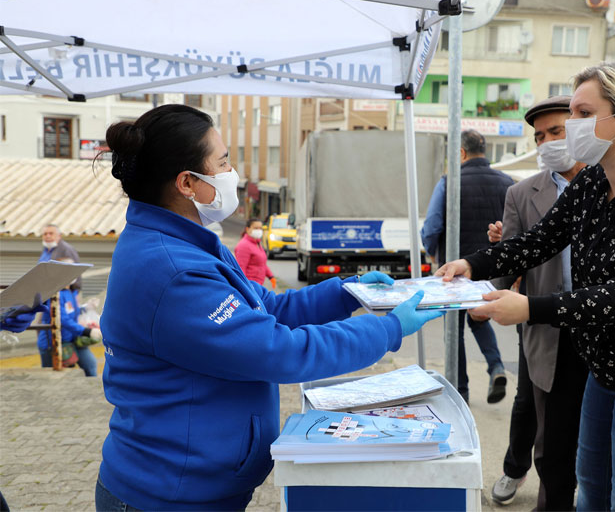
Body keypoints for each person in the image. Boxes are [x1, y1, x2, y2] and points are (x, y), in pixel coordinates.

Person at [94, 104, 443, 511]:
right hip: (166, 494)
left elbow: (264, 307)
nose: (232, 173)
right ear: (187, 182)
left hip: (190, 484)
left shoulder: (188, 243)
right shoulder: (172, 270)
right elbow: (278, 351)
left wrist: (345, 293)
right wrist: (385, 330)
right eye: (222, 162)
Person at [436, 60, 615, 511]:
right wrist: (471, 262)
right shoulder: (594, 182)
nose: (571, 126)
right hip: (605, 368)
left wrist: (530, 309)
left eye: (584, 114)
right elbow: (540, 240)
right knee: (592, 491)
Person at [486, 95, 588, 509]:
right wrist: (498, 259)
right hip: (544, 327)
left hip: (603, 328)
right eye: (540, 136)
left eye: (557, 131)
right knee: (537, 415)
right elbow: (506, 264)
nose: (547, 142)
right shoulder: (522, 193)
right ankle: (518, 469)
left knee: (598, 432)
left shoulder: (612, 183)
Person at [421, 129, 513, 404]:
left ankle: (460, 390)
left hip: (455, 268)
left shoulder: (450, 182)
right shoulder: (507, 183)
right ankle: (496, 366)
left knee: (454, 329)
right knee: (479, 316)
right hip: (491, 267)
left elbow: (433, 225)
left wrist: (432, 252)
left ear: (461, 153)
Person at [38, 258, 101, 377]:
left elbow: (71, 312)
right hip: (53, 344)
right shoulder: (55, 293)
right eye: (68, 269)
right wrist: (87, 331)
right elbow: (62, 319)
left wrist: (86, 307)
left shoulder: (72, 291)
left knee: (91, 364)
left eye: (74, 268)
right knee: (51, 377)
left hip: (72, 340)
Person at [39, 223, 82, 293]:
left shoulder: (66, 249)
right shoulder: (45, 250)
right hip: (46, 292)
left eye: (51, 233)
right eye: (45, 234)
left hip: (64, 293)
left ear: (59, 236)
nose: (48, 236)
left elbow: (74, 274)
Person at [235, 218, 277, 289]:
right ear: (247, 229)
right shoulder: (244, 246)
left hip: (258, 285)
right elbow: (241, 269)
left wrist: (271, 276)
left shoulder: (257, 243)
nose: (258, 230)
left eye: (260, 228)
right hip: (250, 285)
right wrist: (245, 287)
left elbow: (262, 263)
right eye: (255, 228)